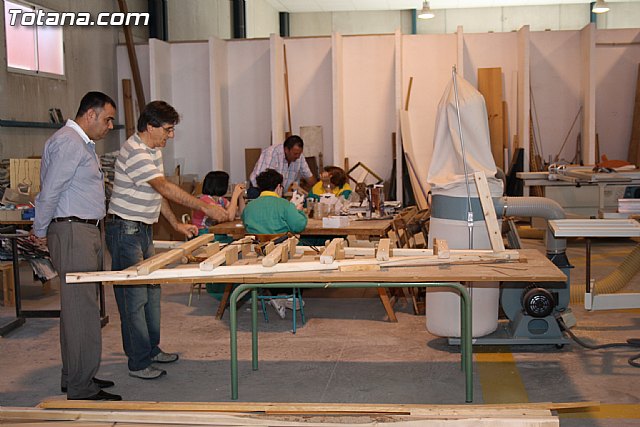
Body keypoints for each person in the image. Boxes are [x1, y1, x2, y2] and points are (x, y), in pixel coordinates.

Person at [106, 100, 228, 380]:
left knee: (152, 293)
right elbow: (163, 187)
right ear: (151, 126)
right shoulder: (135, 151)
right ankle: (138, 363)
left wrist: (175, 224)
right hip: (124, 231)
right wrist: (206, 207)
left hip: (142, 229)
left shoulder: (153, 151)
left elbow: (157, 193)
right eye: (168, 129)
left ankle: (151, 349)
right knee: (133, 299)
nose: (170, 135)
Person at [33, 91, 121, 401]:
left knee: (77, 308)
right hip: (73, 231)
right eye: (107, 119)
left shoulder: (80, 143)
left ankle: (75, 375)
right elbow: (50, 190)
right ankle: (81, 386)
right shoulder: (69, 142)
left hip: (83, 230)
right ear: (90, 114)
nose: (110, 126)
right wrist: (40, 230)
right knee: (82, 310)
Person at [242, 169, 308, 318]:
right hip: (283, 256)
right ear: (279, 187)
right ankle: (290, 296)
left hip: (257, 254)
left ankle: (274, 294)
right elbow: (299, 226)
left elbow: (246, 225)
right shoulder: (285, 205)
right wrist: (299, 211)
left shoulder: (249, 207)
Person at [247, 135, 317, 199]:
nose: (298, 157)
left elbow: (309, 177)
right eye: (295, 154)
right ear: (286, 150)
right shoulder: (271, 153)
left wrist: (317, 187)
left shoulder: (299, 157)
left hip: (278, 192)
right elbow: (264, 182)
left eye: (300, 154)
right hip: (259, 191)